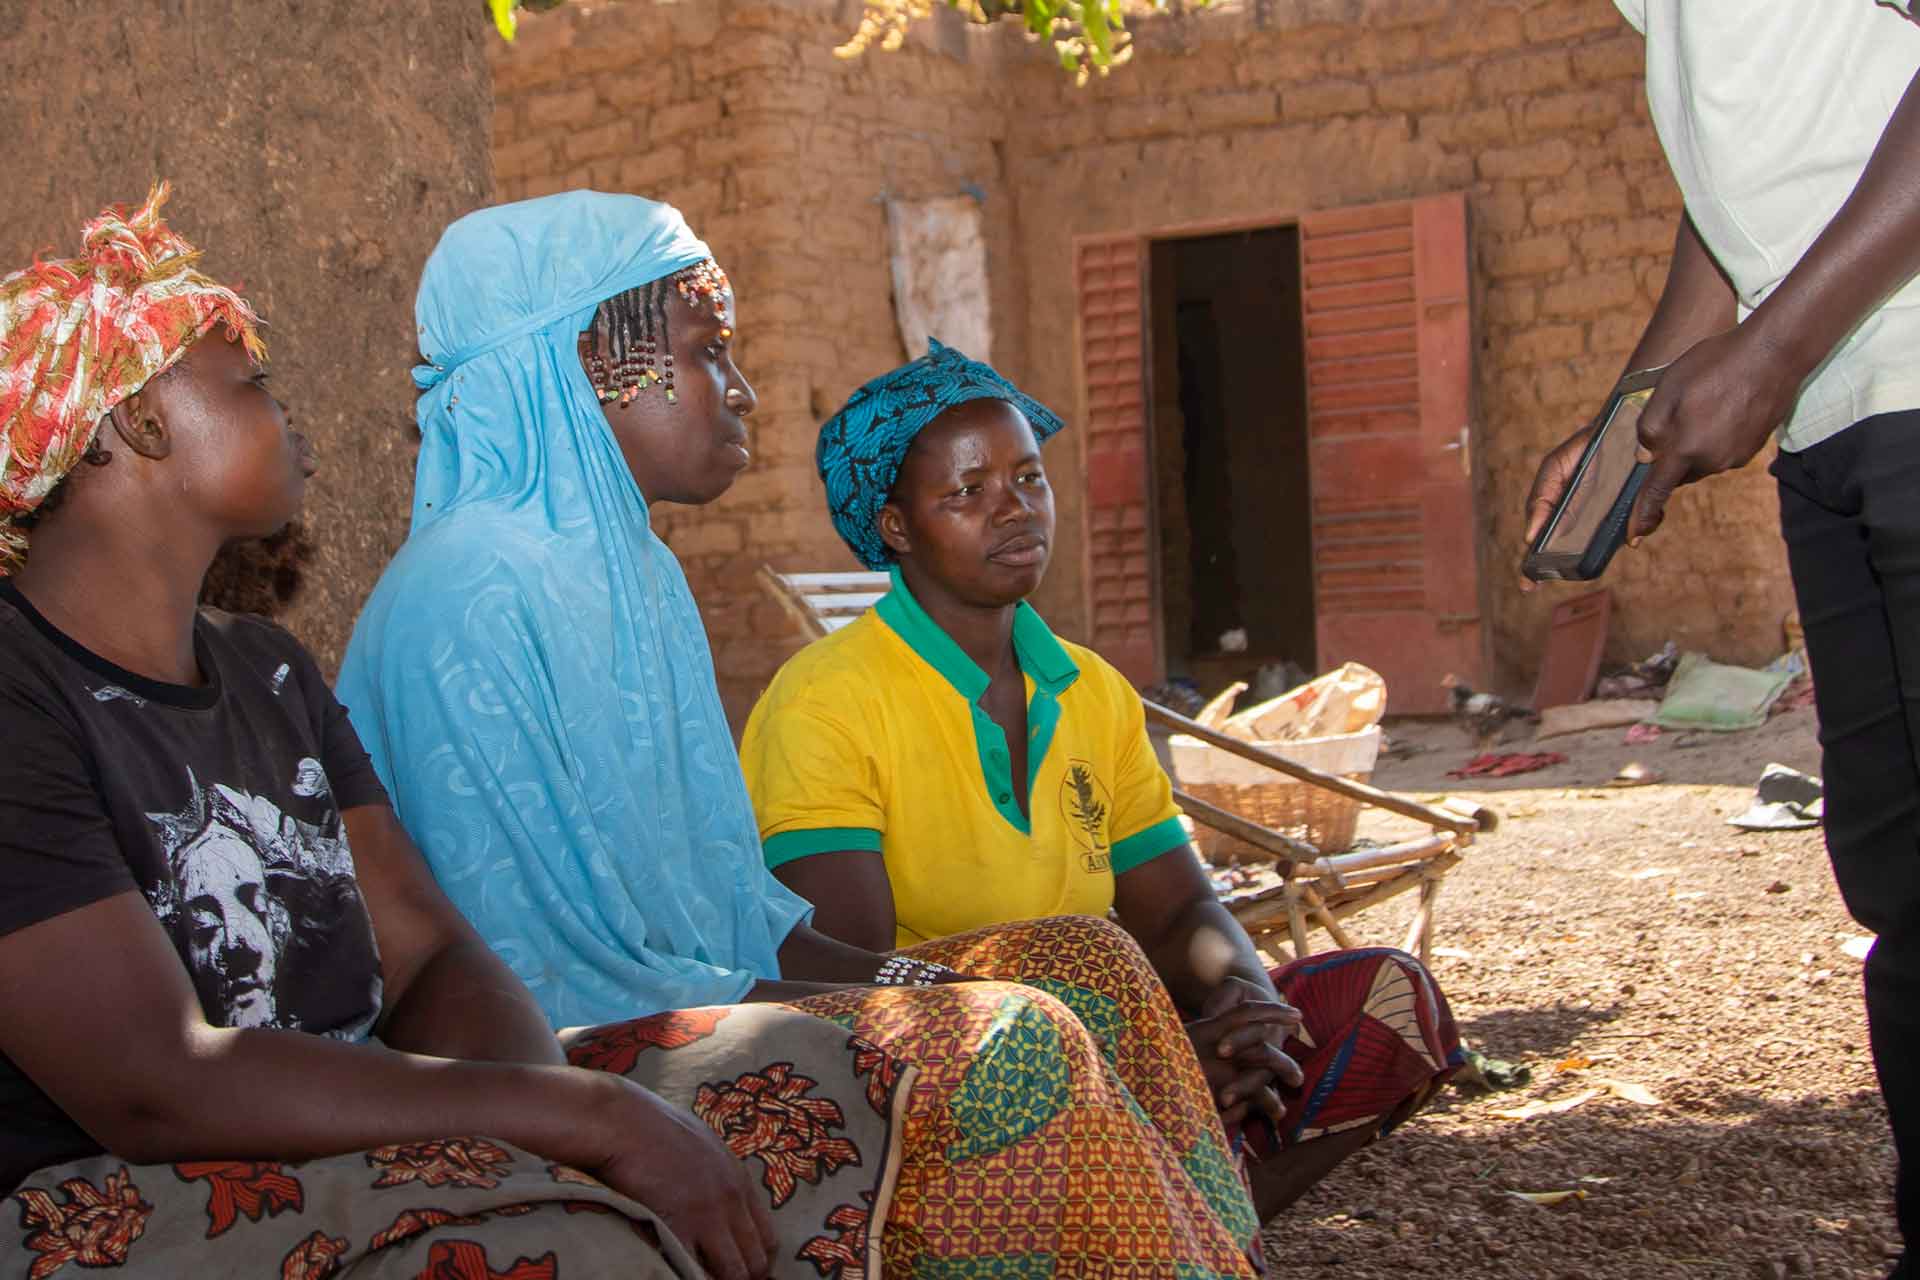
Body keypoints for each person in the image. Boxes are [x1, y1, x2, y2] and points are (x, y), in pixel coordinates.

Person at [0, 184, 936, 1280]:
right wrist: (576, 1120)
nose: (290, 414)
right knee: (583, 1245)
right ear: (141, 419)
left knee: (829, 1114)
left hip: (349, 1136)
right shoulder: (24, 699)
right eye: (251, 383)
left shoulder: (268, 672)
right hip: (103, 1194)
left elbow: (434, 949)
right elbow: (156, 1080)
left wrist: (549, 1114)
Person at [336, 190, 1266, 1277]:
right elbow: (549, 978)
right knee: (1016, 1036)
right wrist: (942, 1008)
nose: (742, 391)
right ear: (590, 361)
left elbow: (740, 920)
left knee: (1088, 964)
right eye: (704, 352)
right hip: (570, 1057)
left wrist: (920, 986)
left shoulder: (637, 578)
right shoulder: (470, 593)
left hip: (695, 1004)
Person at [738, 340, 1462, 1221]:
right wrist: (1111, 1049)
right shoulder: (827, 701)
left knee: (1389, 1000)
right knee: (1088, 953)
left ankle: (1180, 1218)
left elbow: (1180, 912)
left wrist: (1245, 999)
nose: (1014, 511)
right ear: (895, 528)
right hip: (945, 1067)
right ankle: (1168, 1212)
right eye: (967, 492)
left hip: (1113, 1028)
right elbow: (848, 987)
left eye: (1029, 479)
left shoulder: (1089, 691)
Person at [1524, 6, 1920, 1273]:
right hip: (1834, 423)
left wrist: (1775, 346)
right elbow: (1736, 193)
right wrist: (1634, 413)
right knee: (1898, 881)